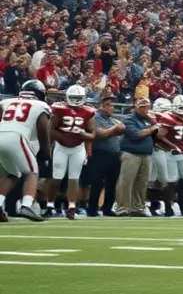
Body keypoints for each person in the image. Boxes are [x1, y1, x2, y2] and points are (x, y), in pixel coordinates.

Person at [0, 79, 53, 222]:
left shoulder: (6, 102)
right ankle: (27, 205)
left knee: (13, 173)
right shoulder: (41, 105)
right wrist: (46, 152)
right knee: (32, 172)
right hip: (17, 137)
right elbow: (43, 130)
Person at [49, 84, 95, 220]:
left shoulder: (88, 112)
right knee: (57, 177)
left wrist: (83, 135)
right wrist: (63, 137)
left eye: (78, 97)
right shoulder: (59, 109)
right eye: (73, 97)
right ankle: (50, 205)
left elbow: (92, 134)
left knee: (74, 178)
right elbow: (50, 129)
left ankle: (71, 207)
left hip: (77, 148)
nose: (76, 100)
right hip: (61, 147)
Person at [117, 97, 159, 217]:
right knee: (126, 181)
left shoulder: (148, 120)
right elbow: (136, 135)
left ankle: (138, 208)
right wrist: (152, 128)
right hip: (131, 154)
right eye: (141, 107)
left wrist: (152, 121)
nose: (144, 109)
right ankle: (122, 208)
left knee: (142, 183)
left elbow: (158, 133)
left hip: (146, 155)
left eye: (147, 107)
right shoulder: (129, 119)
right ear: (135, 107)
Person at [85, 95, 125, 217]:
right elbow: (99, 134)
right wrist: (114, 129)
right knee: (97, 182)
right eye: (107, 105)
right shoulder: (95, 118)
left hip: (114, 155)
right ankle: (92, 209)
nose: (110, 107)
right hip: (100, 154)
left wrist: (113, 129)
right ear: (100, 106)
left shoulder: (112, 120)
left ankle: (107, 208)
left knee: (112, 183)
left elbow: (122, 129)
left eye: (112, 105)